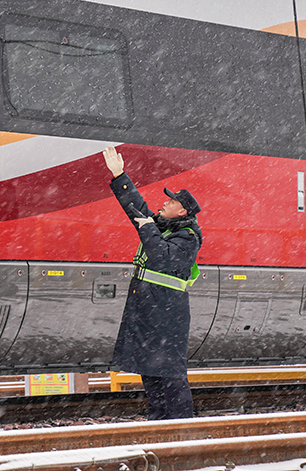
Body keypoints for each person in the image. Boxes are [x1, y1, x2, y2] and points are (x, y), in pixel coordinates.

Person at [102, 145, 203, 420]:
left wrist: (147, 226)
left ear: (182, 212)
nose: (165, 203)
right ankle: (158, 422)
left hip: (167, 317)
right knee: (150, 370)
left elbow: (161, 257)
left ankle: (180, 425)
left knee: (170, 373)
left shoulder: (188, 238)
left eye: (172, 202)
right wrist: (120, 176)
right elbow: (136, 207)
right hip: (149, 312)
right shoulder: (161, 226)